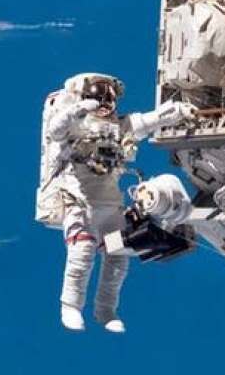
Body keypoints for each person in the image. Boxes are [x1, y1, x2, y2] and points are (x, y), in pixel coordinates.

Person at [37, 73, 195, 333]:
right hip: (80, 204)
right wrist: (79, 108)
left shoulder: (119, 127)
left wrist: (178, 111)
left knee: (118, 258)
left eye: (109, 97)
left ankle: (106, 312)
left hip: (110, 208)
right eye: (98, 95)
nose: (104, 102)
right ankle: (71, 308)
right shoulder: (74, 125)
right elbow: (55, 130)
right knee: (82, 253)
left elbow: (150, 120)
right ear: (83, 96)